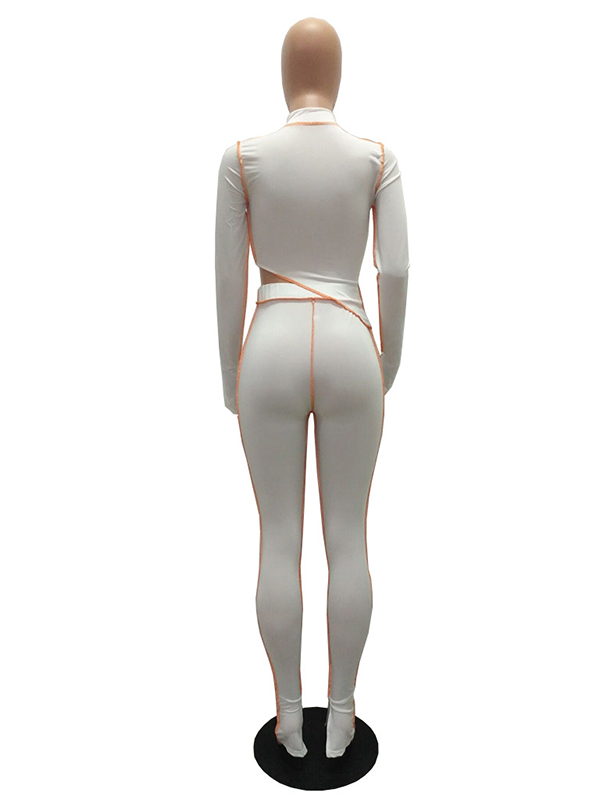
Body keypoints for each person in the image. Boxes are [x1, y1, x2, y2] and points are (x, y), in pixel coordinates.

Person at [214, 18, 410, 759]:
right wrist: (388, 361)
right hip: (351, 336)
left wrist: (228, 373)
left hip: (268, 337)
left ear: (284, 73)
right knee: (349, 537)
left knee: (278, 538)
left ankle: (290, 718)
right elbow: (395, 269)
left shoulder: (243, 157)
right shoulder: (376, 157)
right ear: (338, 73)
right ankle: (345, 716)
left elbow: (227, 275)